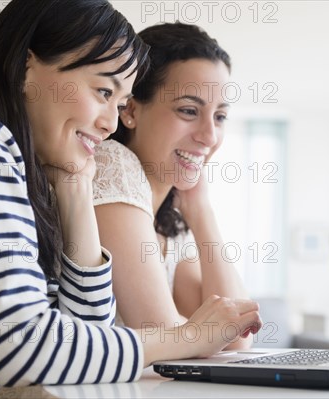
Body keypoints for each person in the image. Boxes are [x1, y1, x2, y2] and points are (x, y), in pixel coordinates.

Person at [0, 2, 261, 398]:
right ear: (26, 69)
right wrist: (189, 337)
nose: (110, 123)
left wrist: (74, 188)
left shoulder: (28, 175)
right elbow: (17, 346)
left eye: (120, 102)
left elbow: (90, 331)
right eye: (104, 92)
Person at [93, 23, 250, 348]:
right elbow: (163, 332)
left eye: (219, 117)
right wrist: (200, 332)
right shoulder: (112, 164)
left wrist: (201, 212)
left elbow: (237, 336)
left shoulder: (168, 221)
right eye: (189, 110)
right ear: (132, 109)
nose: (209, 136)